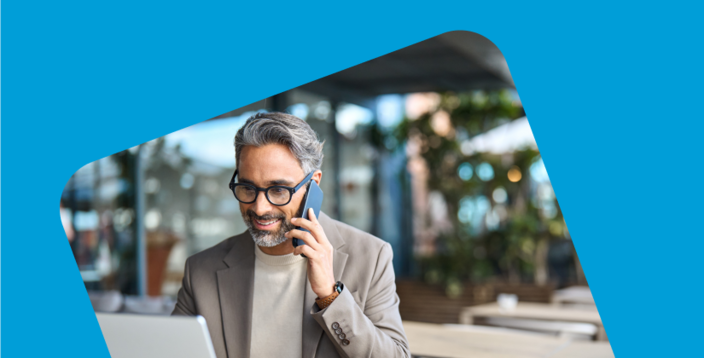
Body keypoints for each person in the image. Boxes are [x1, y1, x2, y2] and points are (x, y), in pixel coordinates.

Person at [172, 112, 410, 358]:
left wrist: (330, 296)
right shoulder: (201, 271)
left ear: (313, 184)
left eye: (278, 190)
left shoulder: (371, 257)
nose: (260, 208)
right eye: (248, 188)